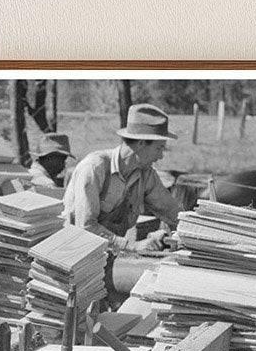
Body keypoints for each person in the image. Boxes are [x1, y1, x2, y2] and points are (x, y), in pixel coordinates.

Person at [62, 103, 182, 252]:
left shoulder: (145, 174)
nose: (160, 156)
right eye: (159, 148)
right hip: (72, 254)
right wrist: (133, 245)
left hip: (105, 254)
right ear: (141, 143)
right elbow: (86, 226)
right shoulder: (94, 168)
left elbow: (172, 212)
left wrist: (187, 232)